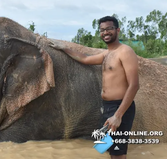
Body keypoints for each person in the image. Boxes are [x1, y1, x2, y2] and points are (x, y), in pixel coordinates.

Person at [50, 16, 139, 159]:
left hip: (120, 108)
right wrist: (64, 48)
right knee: (103, 146)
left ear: (117, 30)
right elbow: (85, 59)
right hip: (107, 107)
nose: (105, 32)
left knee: (118, 153)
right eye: (102, 30)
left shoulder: (125, 52)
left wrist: (118, 115)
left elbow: (134, 85)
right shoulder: (107, 54)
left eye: (109, 28)